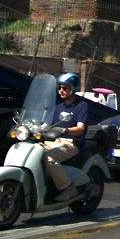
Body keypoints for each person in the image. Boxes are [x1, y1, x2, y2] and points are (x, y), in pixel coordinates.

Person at [42, 73, 89, 201]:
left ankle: (68, 187)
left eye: (65, 88)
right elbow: (46, 124)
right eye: (60, 88)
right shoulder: (58, 107)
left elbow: (80, 128)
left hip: (71, 142)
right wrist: (32, 127)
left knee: (49, 157)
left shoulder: (81, 106)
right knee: (34, 151)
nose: (61, 91)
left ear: (73, 89)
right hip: (54, 141)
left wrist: (65, 130)